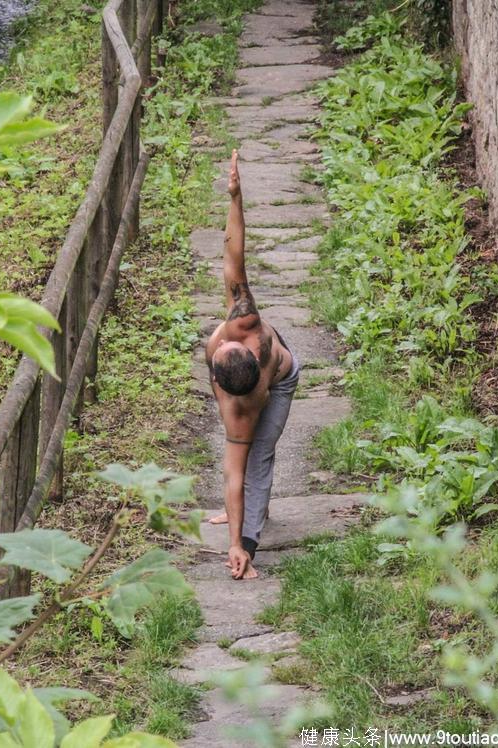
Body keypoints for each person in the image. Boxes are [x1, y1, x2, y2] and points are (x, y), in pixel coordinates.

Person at [205, 149, 300, 580]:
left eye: (223, 344)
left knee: (257, 456)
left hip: (282, 379)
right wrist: (235, 198)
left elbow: (236, 472)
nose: (220, 339)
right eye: (222, 345)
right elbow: (233, 256)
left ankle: (250, 543)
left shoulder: (239, 411)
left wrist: (235, 546)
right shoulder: (240, 327)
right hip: (259, 376)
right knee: (241, 477)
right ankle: (238, 518)